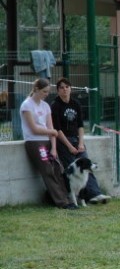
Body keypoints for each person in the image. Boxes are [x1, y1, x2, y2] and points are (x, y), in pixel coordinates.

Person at [50, 77, 111, 204]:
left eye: (67, 87)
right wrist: (69, 146)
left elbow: (80, 126)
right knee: (73, 171)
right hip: (63, 142)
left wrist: (81, 143)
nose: (65, 90)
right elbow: (57, 130)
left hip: (77, 140)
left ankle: (96, 194)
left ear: (71, 89)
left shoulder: (76, 104)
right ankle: (75, 197)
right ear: (57, 90)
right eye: (61, 87)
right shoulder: (55, 106)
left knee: (87, 167)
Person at [19, 78, 76, 209]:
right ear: (36, 90)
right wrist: (52, 132)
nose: (47, 94)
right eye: (44, 92)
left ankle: (66, 198)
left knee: (57, 169)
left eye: (48, 92)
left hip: (48, 141)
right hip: (34, 142)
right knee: (47, 170)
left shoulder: (45, 106)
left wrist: (54, 148)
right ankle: (62, 202)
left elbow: (51, 128)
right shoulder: (27, 105)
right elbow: (34, 129)